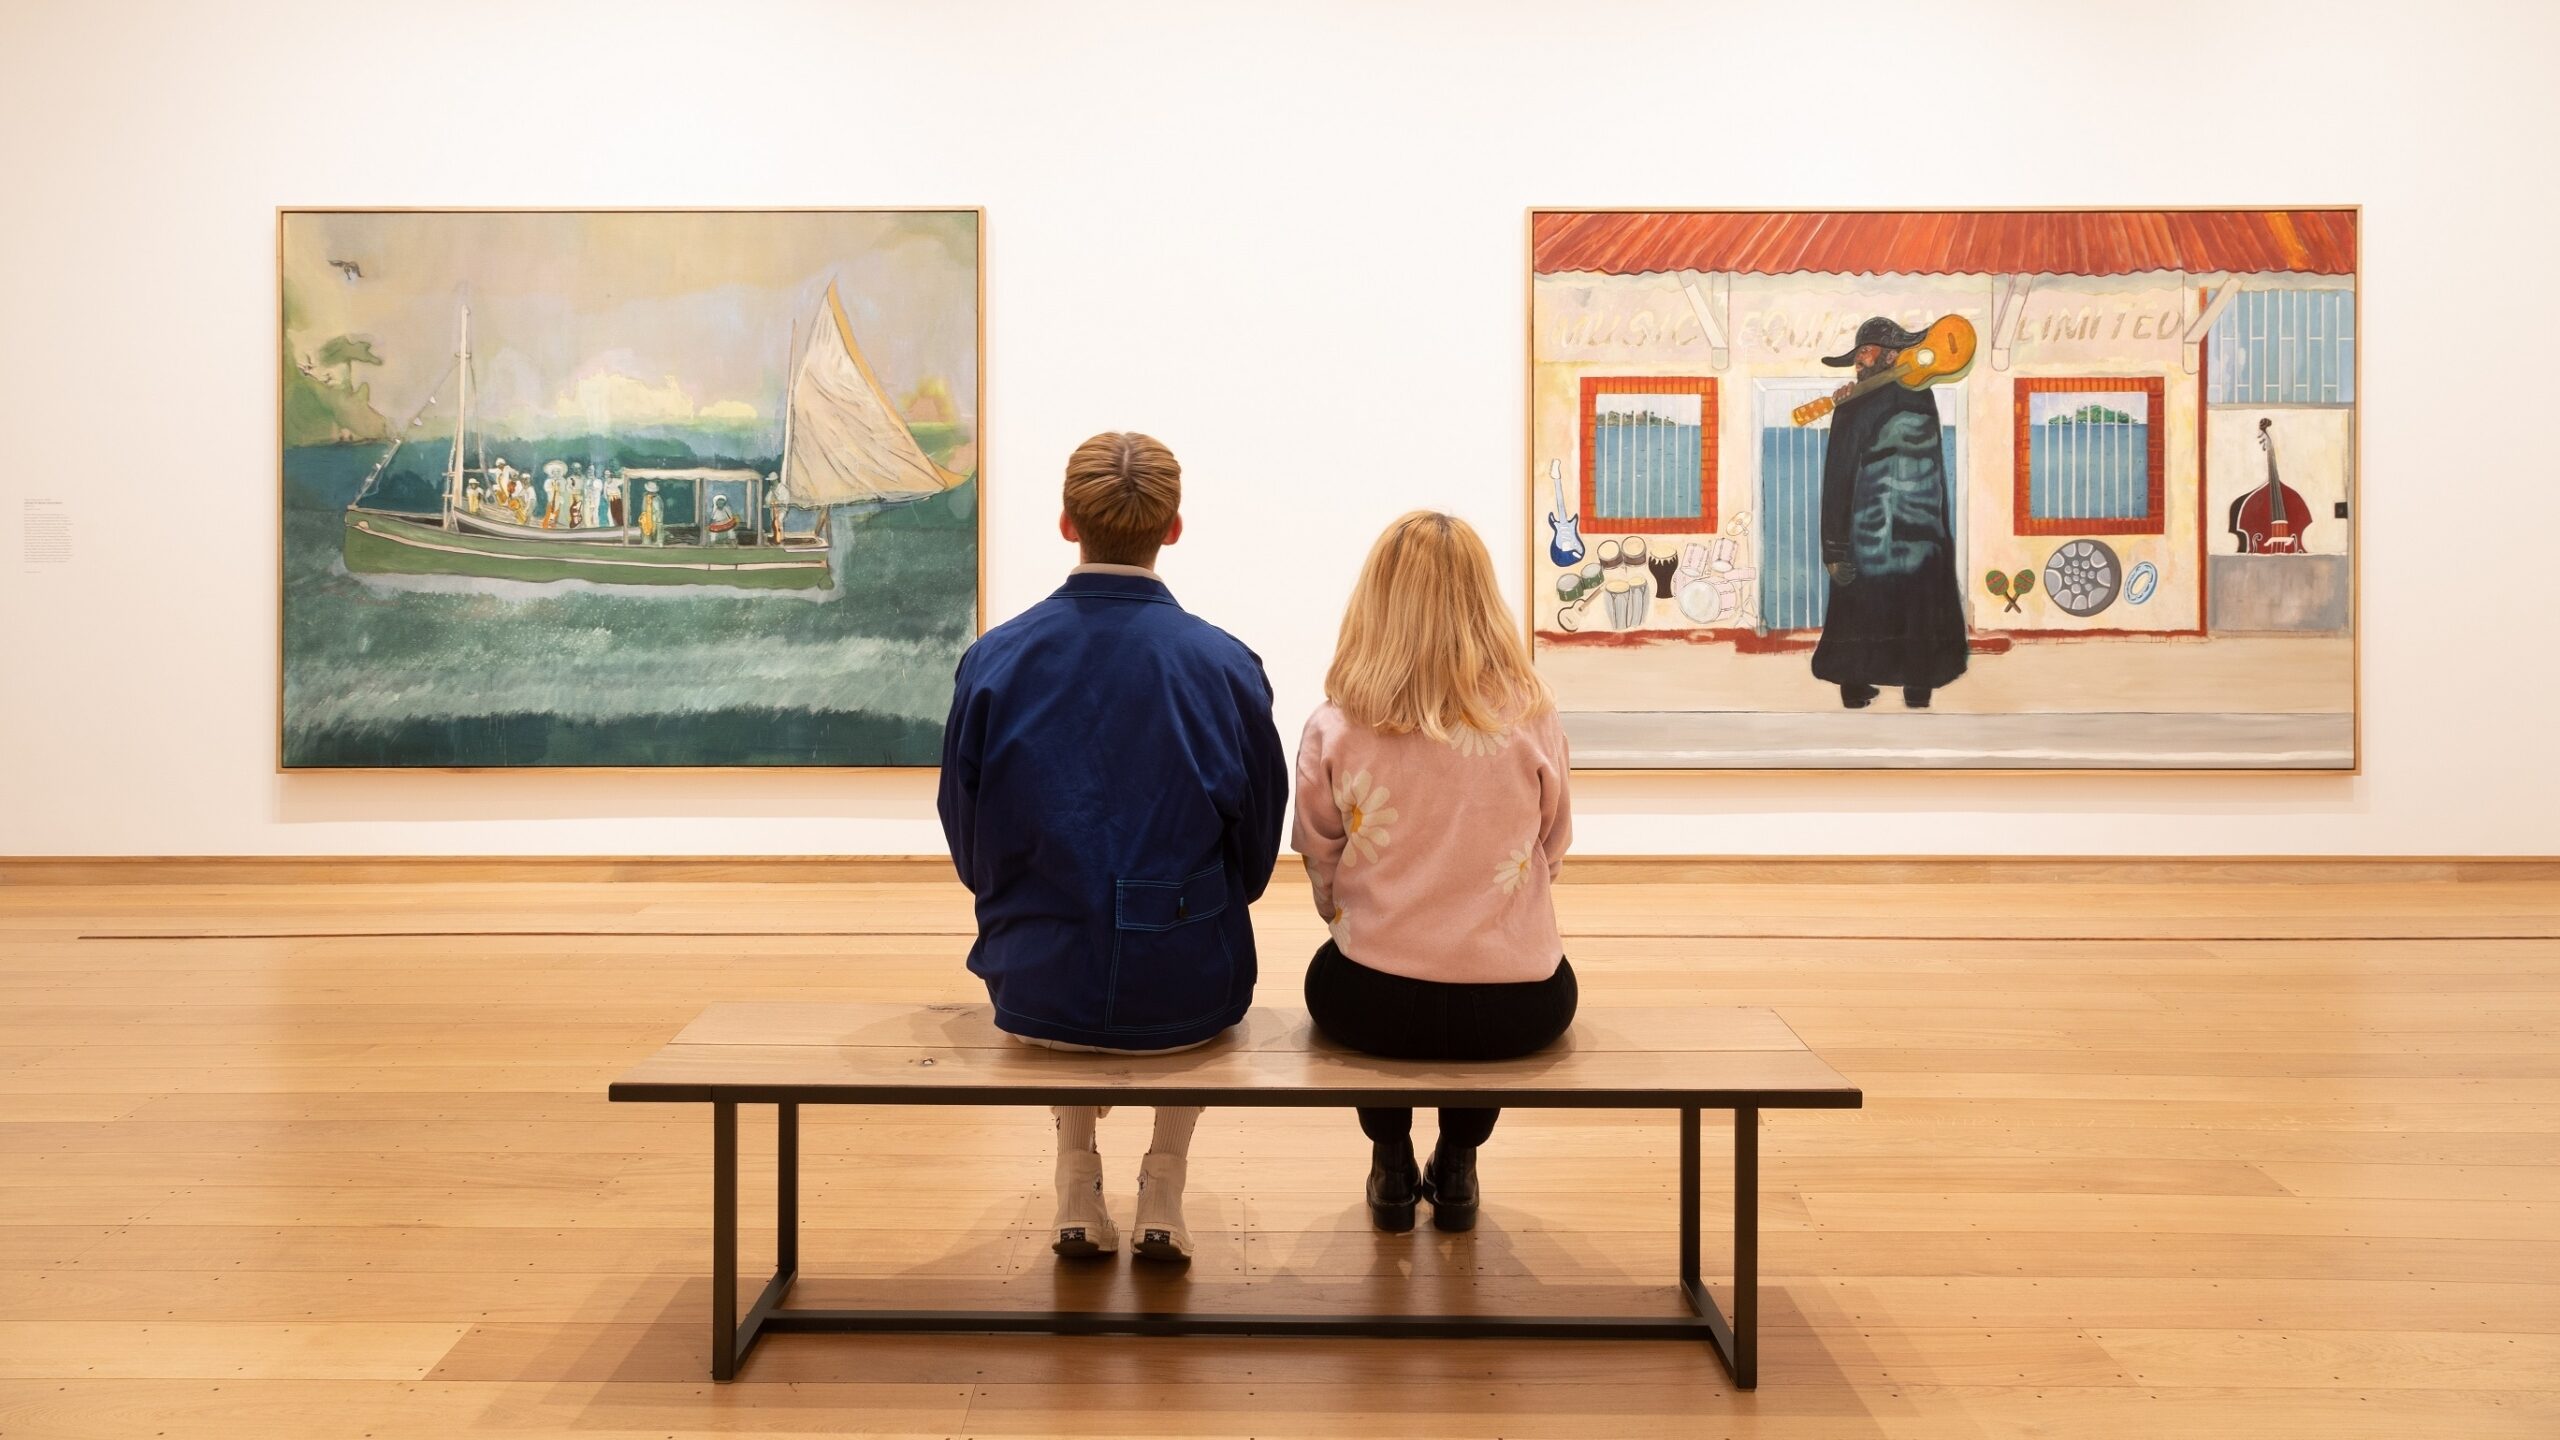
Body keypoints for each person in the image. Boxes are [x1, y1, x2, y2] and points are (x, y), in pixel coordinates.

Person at [938, 432, 1287, 1265]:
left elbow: (966, 836)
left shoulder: (994, 661)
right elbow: (1257, 850)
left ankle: (1074, 1176)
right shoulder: (1226, 665)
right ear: (1172, 528)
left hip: (1037, 985)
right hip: (1186, 995)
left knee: (1075, 923)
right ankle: (1163, 1184)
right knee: (1196, 922)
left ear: (1066, 524)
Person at [1293, 510, 1577, 1234]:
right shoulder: (1532, 717)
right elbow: (1552, 847)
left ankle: (1390, 1160)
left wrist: (1355, 919)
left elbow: (1319, 854)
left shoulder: (1337, 723)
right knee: (1496, 992)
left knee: (1343, 976)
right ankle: (1458, 1159)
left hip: (1373, 999)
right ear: (1484, 601)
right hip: (1519, 1003)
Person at [1811, 316, 1969, 709]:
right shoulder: (1919, 397)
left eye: (1865, 353)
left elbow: (1838, 480)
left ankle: (1864, 686)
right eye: (1858, 356)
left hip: (1878, 539)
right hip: (1917, 539)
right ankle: (1914, 688)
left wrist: (1834, 548)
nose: (1859, 362)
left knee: (1871, 610)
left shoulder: (1858, 403)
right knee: (1912, 611)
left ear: (1893, 355)